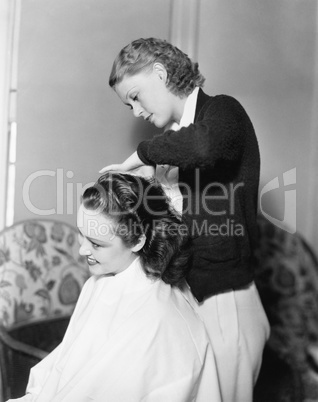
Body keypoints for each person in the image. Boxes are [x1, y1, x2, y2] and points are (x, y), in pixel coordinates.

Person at [100, 37, 270, 401]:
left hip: (227, 302)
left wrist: (138, 156)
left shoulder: (222, 111)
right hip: (190, 297)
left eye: (135, 96)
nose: (135, 111)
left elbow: (204, 147)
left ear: (160, 74)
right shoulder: (173, 141)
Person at [7, 172, 221, 402]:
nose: (82, 250)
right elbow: (65, 367)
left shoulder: (155, 320)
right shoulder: (99, 281)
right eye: (82, 234)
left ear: (138, 240)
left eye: (97, 244)